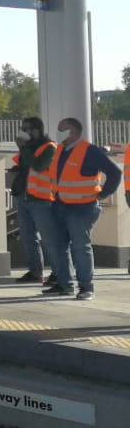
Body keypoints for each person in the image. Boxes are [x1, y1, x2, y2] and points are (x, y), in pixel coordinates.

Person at [41, 117, 121, 301]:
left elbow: (115, 173)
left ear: (73, 132)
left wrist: (103, 194)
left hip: (83, 207)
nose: (58, 132)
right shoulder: (60, 150)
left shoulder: (90, 151)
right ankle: (64, 284)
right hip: (60, 205)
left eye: (62, 129)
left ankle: (86, 287)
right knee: (58, 246)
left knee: (80, 247)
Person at [7, 117, 55, 283]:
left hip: (42, 199)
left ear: (37, 130)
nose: (25, 132)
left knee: (50, 238)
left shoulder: (49, 147)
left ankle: (58, 272)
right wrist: (17, 168)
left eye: (28, 129)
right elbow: (27, 166)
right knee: (28, 238)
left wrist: (23, 147)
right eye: (23, 129)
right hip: (24, 197)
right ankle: (36, 273)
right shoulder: (28, 148)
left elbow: (39, 166)